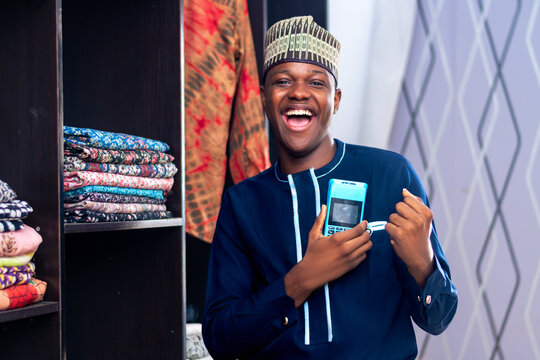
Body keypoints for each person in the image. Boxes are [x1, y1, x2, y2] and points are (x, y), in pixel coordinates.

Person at [202, 15, 458, 360]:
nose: (299, 92)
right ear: (263, 98)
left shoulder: (391, 174)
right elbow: (221, 338)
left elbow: (439, 318)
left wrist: (423, 263)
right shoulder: (242, 204)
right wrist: (301, 279)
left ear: (335, 100)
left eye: (316, 82)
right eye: (282, 81)